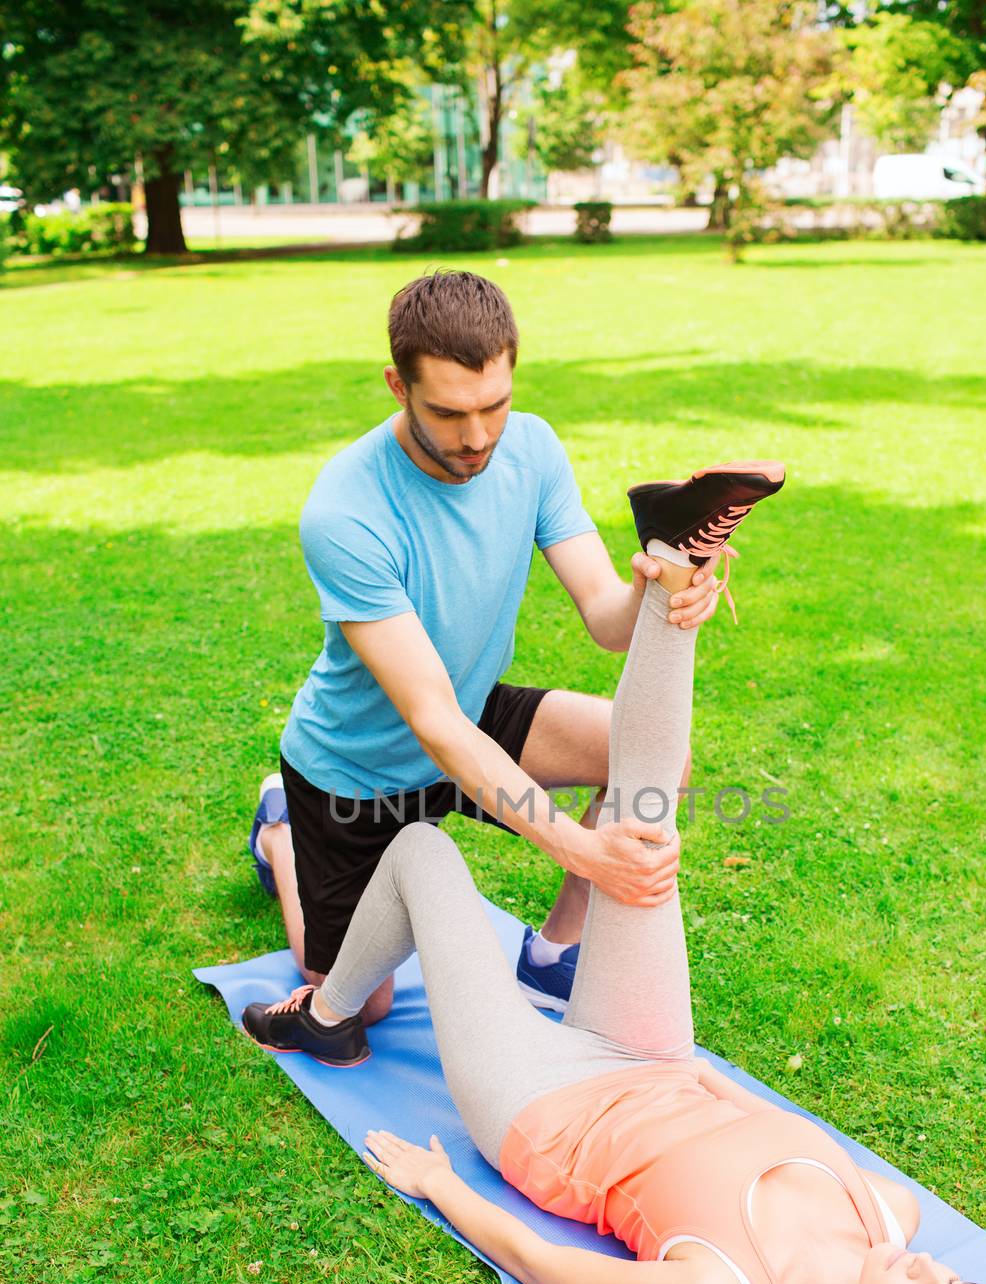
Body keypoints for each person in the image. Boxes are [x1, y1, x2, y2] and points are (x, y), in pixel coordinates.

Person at [243, 465, 986, 1284]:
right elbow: (732, 1106)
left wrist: (445, 1185)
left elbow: (546, 1266)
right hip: (650, 1053)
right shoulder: (895, 1216)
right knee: (646, 818)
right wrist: (688, 1072)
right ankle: (678, 557)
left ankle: (325, 1012)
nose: (928, 1269)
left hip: (544, 1111)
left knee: (422, 854)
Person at [247, 269, 732, 1028]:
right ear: (396, 387)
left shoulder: (531, 449)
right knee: (359, 1001)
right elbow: (430, 720)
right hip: (360, 767)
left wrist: (664, 585)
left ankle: (552, 956)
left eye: (493, 405)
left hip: (471, 717)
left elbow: (607, 620)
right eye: (448, 413)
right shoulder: (345, 510)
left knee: (651, 755)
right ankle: (280, 836)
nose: (476, 438)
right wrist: (579, 847)